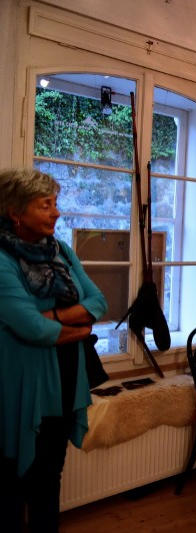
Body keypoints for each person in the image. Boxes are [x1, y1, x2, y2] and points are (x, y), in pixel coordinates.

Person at [0, 168, 108, 532]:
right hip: (21, 388)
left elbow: (98, 302)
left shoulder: (59, 251)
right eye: (45, 204)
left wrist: (54, 318)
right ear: (16, 211)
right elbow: (32, 328)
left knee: (49, 480)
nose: (56, 212)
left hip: (65, 384)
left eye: (55, 203)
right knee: (13, 486)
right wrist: (76, 329)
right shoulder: (2, 259)